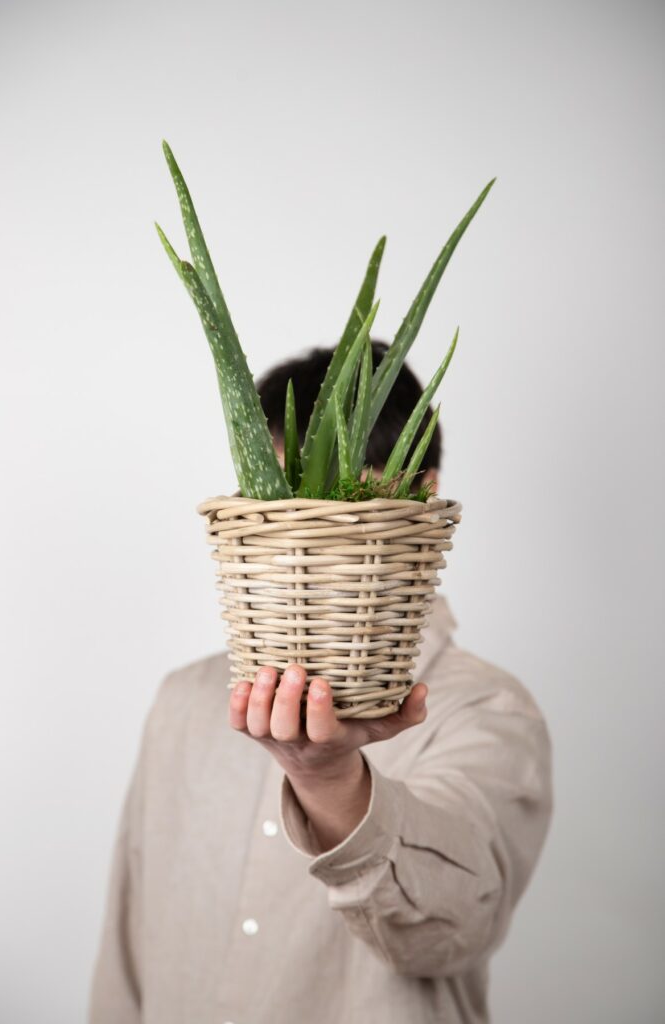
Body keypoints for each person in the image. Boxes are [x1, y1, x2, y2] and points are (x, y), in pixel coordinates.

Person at [88, 340, 553, 1024]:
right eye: (273, 497)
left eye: (331, 495)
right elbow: (125, 957)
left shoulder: (486, 709)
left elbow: (451, 931)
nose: (295, 534)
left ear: (419, 499)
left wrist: (330, 780)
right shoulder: (183, 701)